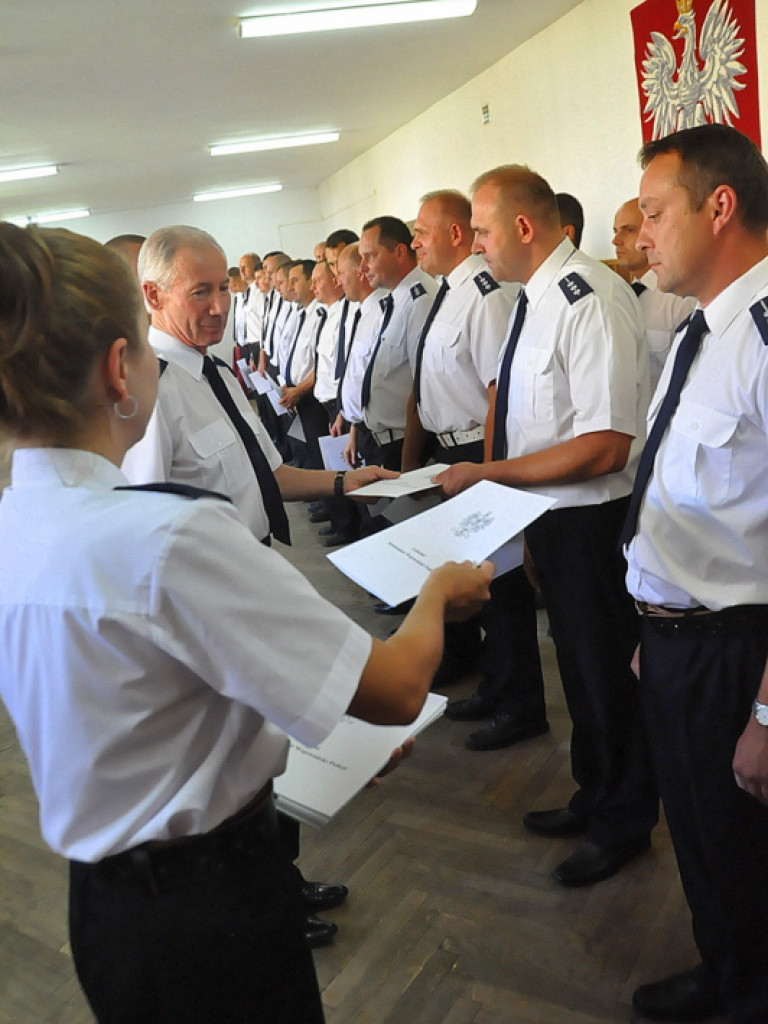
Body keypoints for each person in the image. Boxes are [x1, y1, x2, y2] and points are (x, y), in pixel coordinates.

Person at [0, 221, 493, 1024]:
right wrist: (437, 590)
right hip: (209, 904)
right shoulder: (167, 537)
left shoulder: (18, 522)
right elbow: (399, 689)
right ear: (120, 367)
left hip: (107, 904)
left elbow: (148, 696)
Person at [435, 164, 658, 887]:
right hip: (550, 517)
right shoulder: (533, 299)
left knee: (604, 675)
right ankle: (595, 795)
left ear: (524, 227)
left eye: (482, 230)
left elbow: (605, 445)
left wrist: (491, 475)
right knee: (578, 671)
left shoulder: (588, 297)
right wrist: (520, 515)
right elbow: (528, 422)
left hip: (592, 524)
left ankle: (624, 822)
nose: (476, 244)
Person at [623, 124, 768, 1024]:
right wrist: (655, 621)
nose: (641, 235)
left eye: (653, 213)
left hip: (740, 651)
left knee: (747, 848)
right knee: (705, 836)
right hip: (677, 640)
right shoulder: (698, 331)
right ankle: (727, 974)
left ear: (720, 207)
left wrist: (767, 710)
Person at [408, 189, 547, 746]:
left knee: (501, 588)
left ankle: (521, 704)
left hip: (478, 452)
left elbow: (496, 393)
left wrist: (489, 473)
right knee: (474, 581)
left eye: (422, 231)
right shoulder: (451, 292)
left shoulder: (484, 295)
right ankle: (496, 684)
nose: (415, 242)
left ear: (455, 234)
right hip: (453, 454)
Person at [358, 216, 438, 470]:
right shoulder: (396, 298)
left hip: (407, 443)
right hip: (387, 441)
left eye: (370, 256)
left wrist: (409, 457)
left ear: (400, 252)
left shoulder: (420, 299)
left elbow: (421, 385)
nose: (362, 267)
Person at [612, 196, 696, 392]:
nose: (616, 240)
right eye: (615, 231)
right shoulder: (619, 296)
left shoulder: (680, 299)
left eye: (628, 230)